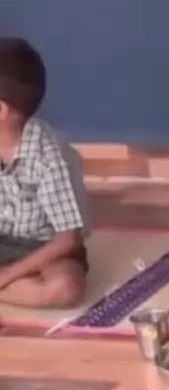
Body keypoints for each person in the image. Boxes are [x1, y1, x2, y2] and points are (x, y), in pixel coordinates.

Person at [0, 38, 90, 309]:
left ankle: (10, 286)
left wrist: (7, 275)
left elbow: (68, 238)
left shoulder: (49, 155)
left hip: (44, 250)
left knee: (65, 288)